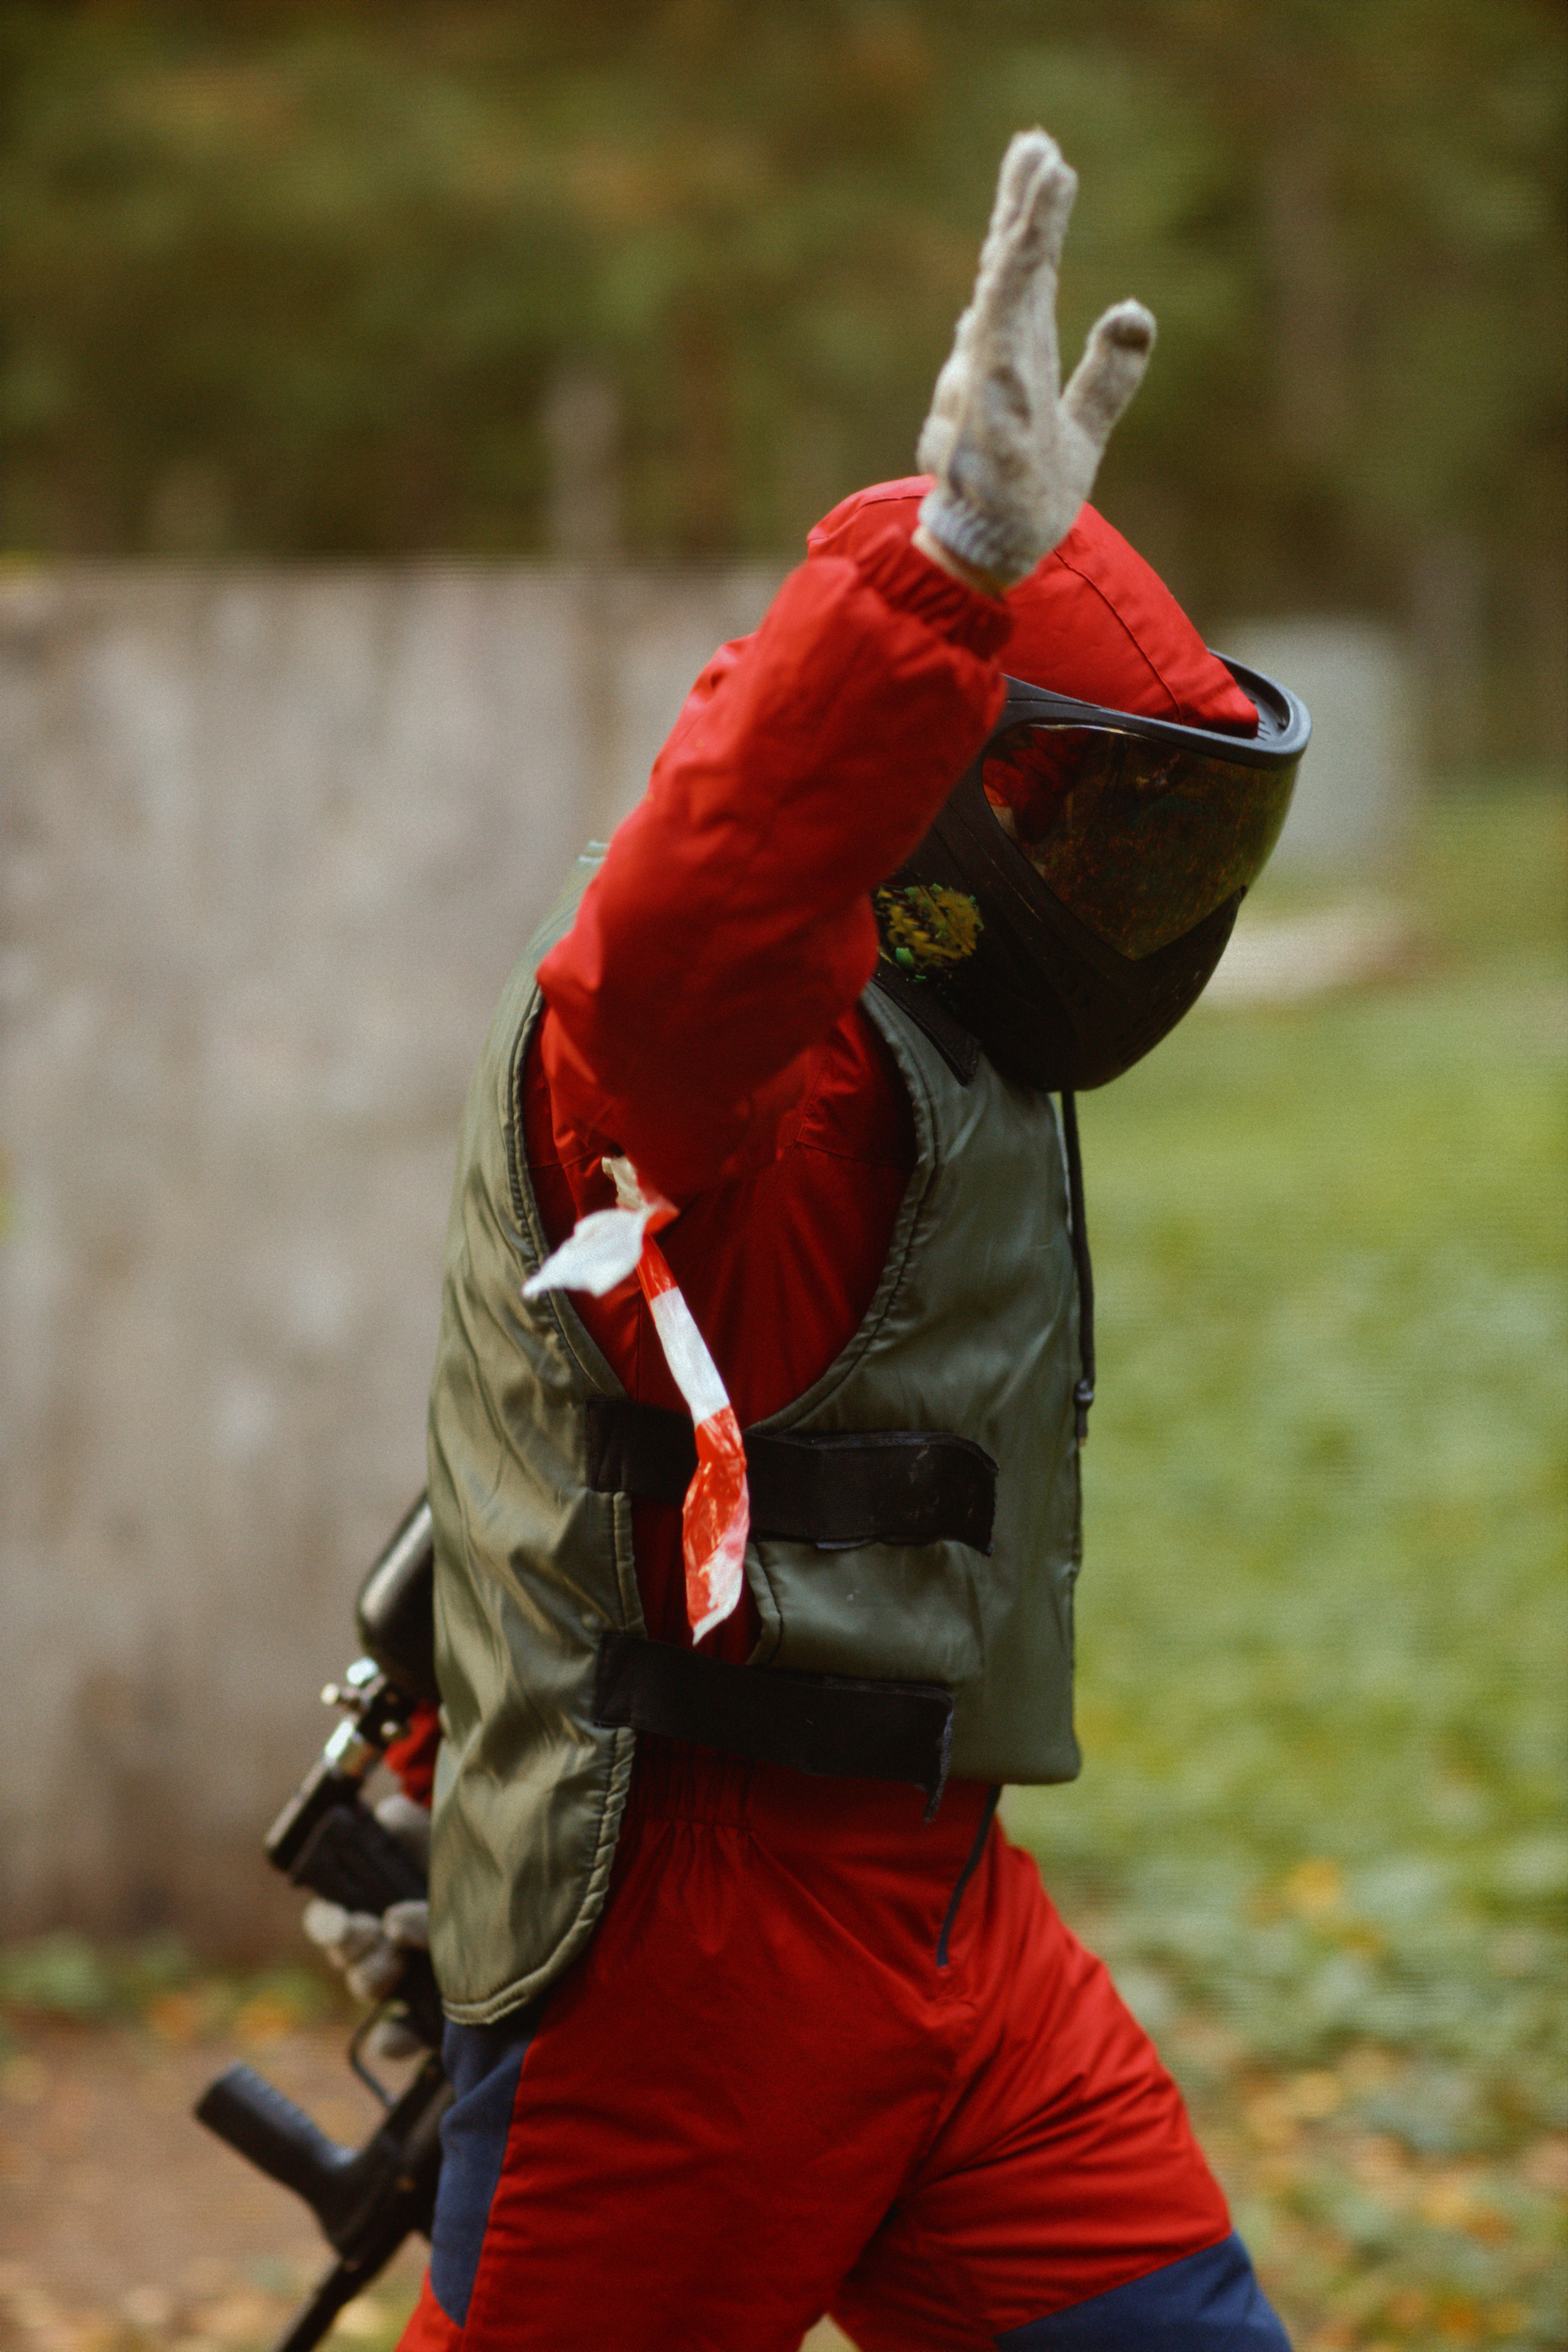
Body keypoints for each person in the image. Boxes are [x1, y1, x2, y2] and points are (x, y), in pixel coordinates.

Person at [383, 132, 1302, 2350]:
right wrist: (937, 589)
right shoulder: (725, 1050)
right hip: (685, 1968)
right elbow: (679, 946)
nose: (1131, 900)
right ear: (938, 784)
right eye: (1096, 819)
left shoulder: (962, 1038)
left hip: (953, 1930)